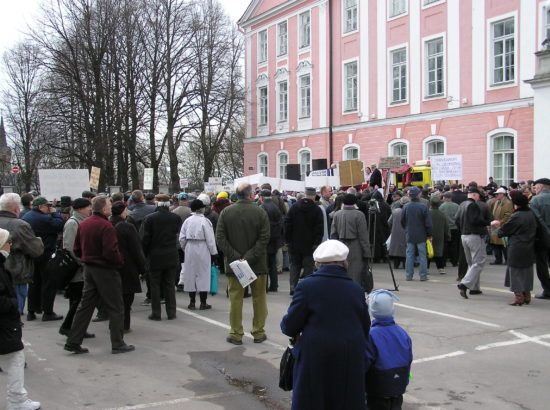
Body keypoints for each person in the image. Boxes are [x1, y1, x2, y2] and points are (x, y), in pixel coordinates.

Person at [280, 240, 370, 410]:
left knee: (313, 400)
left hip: (316, 355)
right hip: (349, 355)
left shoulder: (306, 286)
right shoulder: (356, 289)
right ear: (345, 263)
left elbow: (290, 325)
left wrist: (287, 325)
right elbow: (365, 326)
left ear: (318, 264)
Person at [64, 196, 134, 354]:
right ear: (103, 209)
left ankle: (73, 341)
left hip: (89, 268)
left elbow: (76, 248)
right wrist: (119, 262)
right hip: (105, 270)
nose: (111, 207)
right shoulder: (106, 226)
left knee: (85, 306)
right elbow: (110, 251)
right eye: (109, 205)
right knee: (116, 306)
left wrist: (86, 259)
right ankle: (118, 342)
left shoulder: (84, 223)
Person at [216, 183, 270, 345]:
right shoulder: (260, 212)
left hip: (235, 265)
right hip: (257, 264)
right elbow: (264, 238)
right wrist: (248, 257)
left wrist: (236, 257)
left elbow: (220, 238)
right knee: (259, 299)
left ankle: (236, 333)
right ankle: (258, 332)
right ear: (251, 195)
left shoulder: (226, 212)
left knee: (236, 299)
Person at [0, 228, 41, 410]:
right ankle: (17, 400)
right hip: (4, 323)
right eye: (7, 242)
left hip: (6, 321)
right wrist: (11, 304)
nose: (10, 246)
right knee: (15, 358)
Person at [365, 290, 412, 410]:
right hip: (398, 386)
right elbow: (409, 358)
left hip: (377, 388)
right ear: (392, 309)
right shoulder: (402, 333)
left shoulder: (371, 335)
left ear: (371, 310)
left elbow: (364, 363)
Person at [0, 194, 44, 316]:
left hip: (5, 272)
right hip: (15, 272)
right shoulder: (20, 225)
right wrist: (39, 240)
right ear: (16, 209)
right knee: (13, 314)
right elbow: (36, 250)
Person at [22, 197, 65, 321]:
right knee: (48, 283)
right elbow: (60, 225)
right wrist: (55, 213)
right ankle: (48, 311)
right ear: (40, 207)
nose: (49, 208)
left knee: (34, 282)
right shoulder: (44, 218)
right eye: (47, 206)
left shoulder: (27, 216)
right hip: (45, 252)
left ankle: (31, 310)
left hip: (31, 253)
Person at [141, 194, 182, 321]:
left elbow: (145, 239)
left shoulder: (149, 218)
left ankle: (156, 313)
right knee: (169, 285)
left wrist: (145, 254)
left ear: (156, 203)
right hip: (171, 254)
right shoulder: (176, 218)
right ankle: (171, 312)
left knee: (155, 285)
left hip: (155, 255)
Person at [59, 198, 95, 339]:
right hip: (77, 269)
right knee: (77, 300)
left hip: (81, 267)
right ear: (80, 209)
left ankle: (75, 327)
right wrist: (82, 262)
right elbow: (69, 247)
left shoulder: (81, 221)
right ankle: (69, 327)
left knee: (79, 300)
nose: (90, 209)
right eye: (88, 207)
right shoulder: (73, 223)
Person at [492, 194, 537, 306]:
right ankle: (527, 294)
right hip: (529, 245)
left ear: (516, 204)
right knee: (527, 271)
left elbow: (505, 230)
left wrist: (498, 230)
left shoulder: (517, 216)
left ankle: (519, 296)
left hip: (517, 246)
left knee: (515, 271)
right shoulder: (531, 214)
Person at [110, 201, 145, 332]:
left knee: (113, 297)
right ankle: (124, 325)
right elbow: (136, 249)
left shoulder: (107, 224)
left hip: (110, 266)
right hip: (127, 266)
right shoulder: (127, 227)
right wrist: (143, 268)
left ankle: (114, 322)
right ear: (122, 212)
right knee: (126, 298)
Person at [284, 187, 324, 295]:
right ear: (314, 196)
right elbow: (319, 229)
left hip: (294, 243)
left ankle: (293, 287)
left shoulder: (294, 207)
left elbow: (287, 225)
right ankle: (307, 289)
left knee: (294, 266)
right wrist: (317, 243)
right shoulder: (316, 210)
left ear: (305, 194)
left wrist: (288, 241)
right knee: (308, 267)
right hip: (310, 244)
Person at [179, 199, 217, 310]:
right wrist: (213, 252)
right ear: (200, 209)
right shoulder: (205, 221)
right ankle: (203, 302)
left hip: (190, 246)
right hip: (202, 247)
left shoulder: (187, 221)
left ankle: (191, 302)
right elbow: (210, 239)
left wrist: (185, 247)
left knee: (190, 274)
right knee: (203, 274)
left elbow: (182, 238)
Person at [456, 188, 493, 298]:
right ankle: (465, 284)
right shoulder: (473, 205)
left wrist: (462, 229)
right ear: (475, 195)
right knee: (479, 262)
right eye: (478, 196)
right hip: (474, 235)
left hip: (464, 235)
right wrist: (489, 223)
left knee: (472, 263)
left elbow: (456, 219)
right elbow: (476, 220)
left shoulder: (462, 204)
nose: (479, 198)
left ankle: (474, 288)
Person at [330, 193, 371, 289]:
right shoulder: (359, 215)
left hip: (340, 245)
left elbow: (333, 234)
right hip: (355, 246)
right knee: (355, 273)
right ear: (355, 203)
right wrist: (367, 252)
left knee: (340, 271)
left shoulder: (337, 214)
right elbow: (363, 235)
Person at [401, 187, 432, 281]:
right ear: (418, 195)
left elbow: (402, 221)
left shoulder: (406, 206)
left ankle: (409, 275)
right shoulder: (423, 206)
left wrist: (406, 229)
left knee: (409, 255)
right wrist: (429, 235)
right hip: (421, 234)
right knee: (422, 255)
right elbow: (428, 223)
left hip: (410, 233)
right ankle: (423, 275)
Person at [258, 190, 283, 292]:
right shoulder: (276, 207)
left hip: (265, 238)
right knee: (272, 263)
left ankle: (264, 287)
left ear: (262, 198)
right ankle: (274, 285)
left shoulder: (262, 208)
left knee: (265, 263)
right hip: (275, 238)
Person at [529, 178, 550, 299]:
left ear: (541, 187)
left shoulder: (536, 200)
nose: (535, 190)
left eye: (536, 188)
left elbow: (536, 220)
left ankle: (547, 290)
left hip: (542, 238)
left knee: (541, 264)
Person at [488, 187, 513, 265]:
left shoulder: (508, 203)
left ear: (502, 194)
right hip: (495, 226)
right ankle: (498, 259)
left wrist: (500, 222)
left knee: (504, 244)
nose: (496, 195)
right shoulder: (497, 202)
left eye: (497, 194)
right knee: (496, 244)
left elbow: (508, 215)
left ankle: (507, 260)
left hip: (502, 226)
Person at [429, 197, 450, 275]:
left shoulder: (427, 213)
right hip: (440, 235)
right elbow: (446, 227)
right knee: (438, 252)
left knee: (428, 250)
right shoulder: (442, 214)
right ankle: (441, 268)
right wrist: (448, 235)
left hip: (429, 235)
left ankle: (426, 268)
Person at [388, 196, 410, 269]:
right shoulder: (409, 212)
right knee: (405, 249)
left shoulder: (395, 211)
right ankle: (405, 264)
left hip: (395, 233)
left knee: (396, 249)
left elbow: (389, 222)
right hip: (406, 232)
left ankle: (396, 264)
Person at [440, 192, 460, 267]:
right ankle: (454, 261)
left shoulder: (441, 206)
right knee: (454, 245)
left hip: (445, 228)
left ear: (445, 198)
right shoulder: (456, 206)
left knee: (445, 245)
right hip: (454, 228)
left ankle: (443, 261)